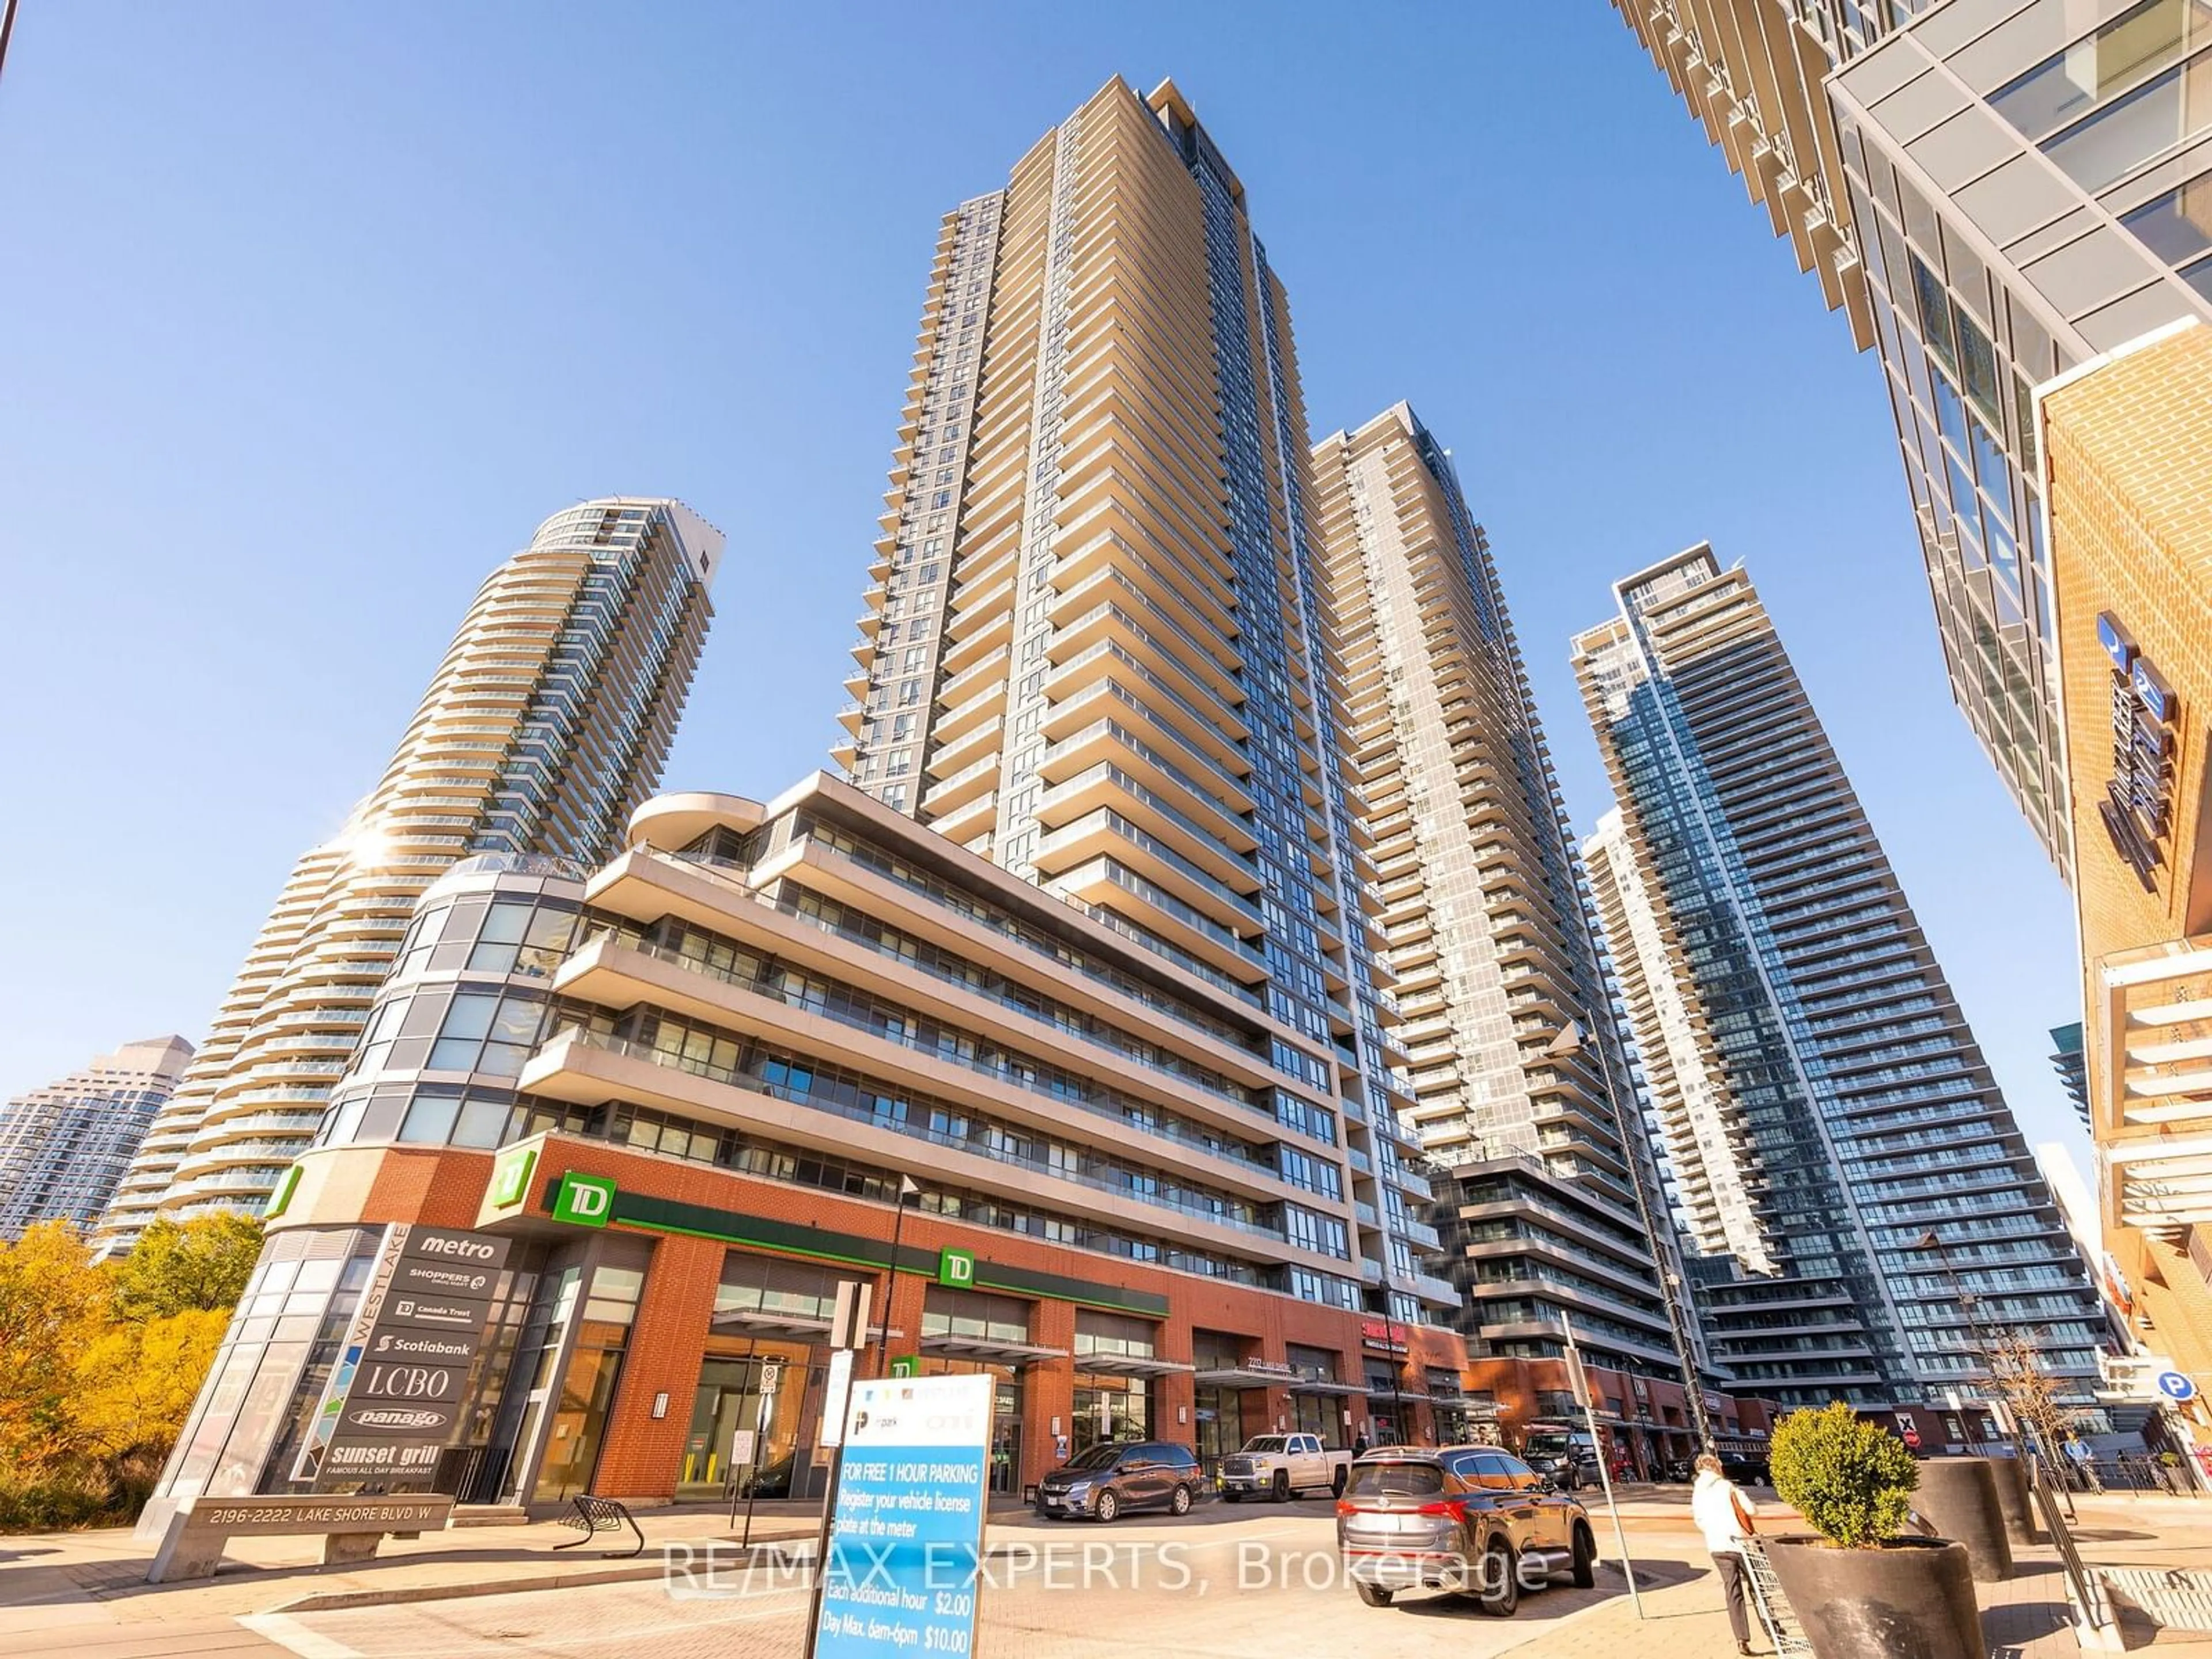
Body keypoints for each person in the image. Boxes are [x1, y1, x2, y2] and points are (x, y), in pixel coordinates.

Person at [1692, 1452, 1762, 1656]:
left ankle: (1742, 1639)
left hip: (1717, 1547)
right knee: (1758, 1588)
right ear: (1716, 1467)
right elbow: (1751, 1510)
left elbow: (1700, 1521)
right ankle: (1773, 1629)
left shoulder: (1697, 1493)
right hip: (1740, 1545)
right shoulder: (1727, 1487)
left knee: (1733, 1592)